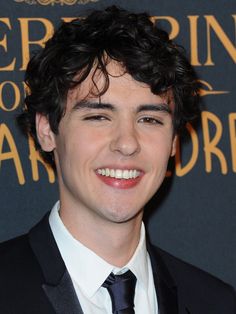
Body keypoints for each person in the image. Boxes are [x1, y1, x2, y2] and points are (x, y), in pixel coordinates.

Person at [0, 5, 235, 314]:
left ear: (174, 141)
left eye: (150, 119)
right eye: (98, 116)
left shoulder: (218, 303)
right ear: (47, 130)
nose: (127, 143)